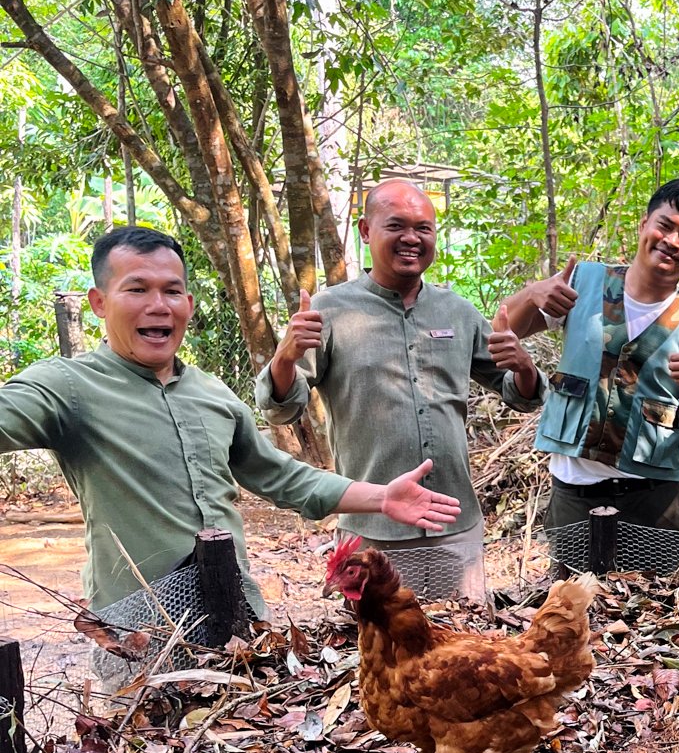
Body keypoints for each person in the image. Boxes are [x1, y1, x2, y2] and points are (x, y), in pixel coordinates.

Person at [0, 226, 460, 627]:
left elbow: (280, 475)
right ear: (99, 303)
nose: (158, 306)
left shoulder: (210, 392)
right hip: (138, 625)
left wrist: (381, 497)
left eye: (172, 291)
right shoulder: (67, 386)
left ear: (189, 302)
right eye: (137, 290)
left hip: (238, 611)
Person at [256, 178, 541, 602]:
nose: (412, 238)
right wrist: (284, 357)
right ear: (366, 230)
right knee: (379, 659)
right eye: (396, 226)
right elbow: (282, 408)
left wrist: (524, 368)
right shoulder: (328, 310)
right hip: (373, 530)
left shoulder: (457, 312)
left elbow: (519, 395)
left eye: (424, 228)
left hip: (453, 525)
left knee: (462, 649)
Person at [494, 180, 679, 573]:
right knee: (572, 616)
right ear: (643, 225)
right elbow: (506, 328)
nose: (672, 241)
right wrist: (533, 292)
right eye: (665, 226)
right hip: (575, 492)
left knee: (662, 616)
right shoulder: (581, 285)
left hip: (653, 502)